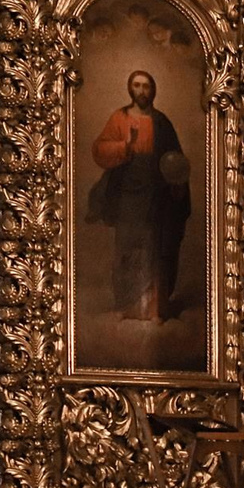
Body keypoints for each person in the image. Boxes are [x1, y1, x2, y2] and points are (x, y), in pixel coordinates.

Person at [89, 69, 192, 323]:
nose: (141, 91)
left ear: (153, 90)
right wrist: (123, 146)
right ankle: (126, 305)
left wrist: (176, 183)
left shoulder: (161, 122)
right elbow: (100, 149)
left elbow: (176, 161)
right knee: (126, 248)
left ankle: (155, 308)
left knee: (155, 248)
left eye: (146, 86)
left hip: (156, 195)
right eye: (136, 85)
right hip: (127, 194)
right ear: (130, 88)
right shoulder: (119, 118)